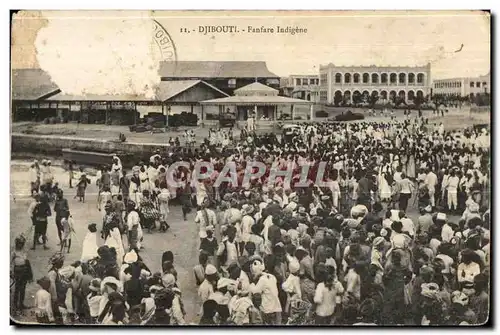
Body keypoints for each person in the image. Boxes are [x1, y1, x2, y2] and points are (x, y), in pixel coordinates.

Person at [11, 235, 33, 313]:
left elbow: (27, 261)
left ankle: (21, 304)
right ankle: (15, 305)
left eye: (22, 243)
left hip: (24, 270)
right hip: (17, 270)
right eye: (19, 243)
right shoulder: (14, 252)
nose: (21, 244)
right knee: (17, 288)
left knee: (23, 288)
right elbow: (10, 263)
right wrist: (11, 272)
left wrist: (29, 273)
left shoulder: (24, 251)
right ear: (17, 243)